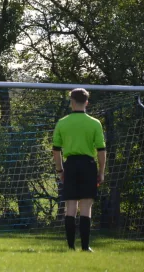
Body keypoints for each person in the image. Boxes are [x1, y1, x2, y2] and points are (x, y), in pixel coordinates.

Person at [52, 88, 106, 252]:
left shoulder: (62, 122)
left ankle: (70, 247)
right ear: (87, 103)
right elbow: (101, 151)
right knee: (86, 206)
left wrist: (61, 171)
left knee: (70, 206)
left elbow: (56, 150)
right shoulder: (95, 123)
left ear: (71, 102)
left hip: (71, 165)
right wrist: (101, 172)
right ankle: (85, 247)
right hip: (88, 165)